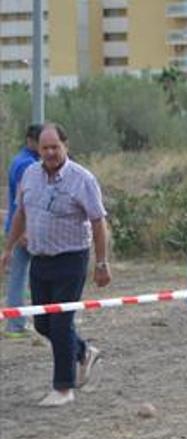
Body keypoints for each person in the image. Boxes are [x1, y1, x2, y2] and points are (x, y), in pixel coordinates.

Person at [1, 123, 110, 406]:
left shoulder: (82, 179)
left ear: (66, 146)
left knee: (61, 324)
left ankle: (63, 388)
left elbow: (98, 222)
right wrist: (8, 248)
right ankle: (84, 352)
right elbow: (20, 213)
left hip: (71, 259)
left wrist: (102, 263)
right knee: (43, 324)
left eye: (55, 147)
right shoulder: (30, 174)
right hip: (40, 259)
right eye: (45, 148)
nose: (50, 153)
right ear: (38, 148)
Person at [4, 124, 41, 338]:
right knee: (29, 276)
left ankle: (16, 323)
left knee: (19, 276)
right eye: (39, 142)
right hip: (25, 230)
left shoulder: (22, 160)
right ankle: (17, 324)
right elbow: (23, 199)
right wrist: (24, 231)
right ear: (30, 141)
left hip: (19, 228)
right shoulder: (26, 164)